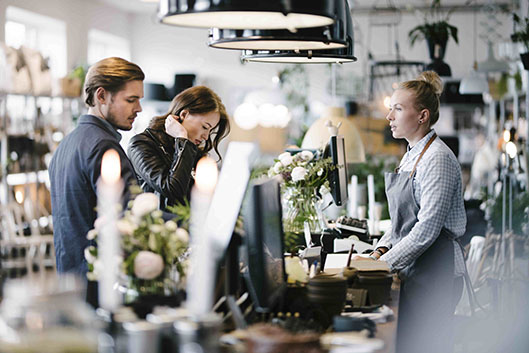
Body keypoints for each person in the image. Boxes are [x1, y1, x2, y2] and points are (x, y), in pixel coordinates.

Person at [354, 71, 467, 353]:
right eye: (391, 108)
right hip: (416, 269)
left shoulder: (437, 158)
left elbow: (426, 230)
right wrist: (378, 252)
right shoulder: (411, 154)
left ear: (422, 116)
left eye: (398, 108)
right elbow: (400, 222)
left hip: (436, 272)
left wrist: (382, 267)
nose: (389, 116)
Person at [49, 57, 144, 277]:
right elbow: (131, 217)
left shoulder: (67, 143)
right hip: (100, 277)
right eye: (131, 100)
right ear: (101, 96)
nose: (138, 108)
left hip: (71, 274)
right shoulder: (104, 147)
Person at [127, 85, 230, 210]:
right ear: (184, 114)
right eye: (205, 127)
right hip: (161, 226)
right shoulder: (141, 144)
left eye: (210, 130)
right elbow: (172, 189)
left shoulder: (192, 150)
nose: (206, 137)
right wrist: (182, 137)